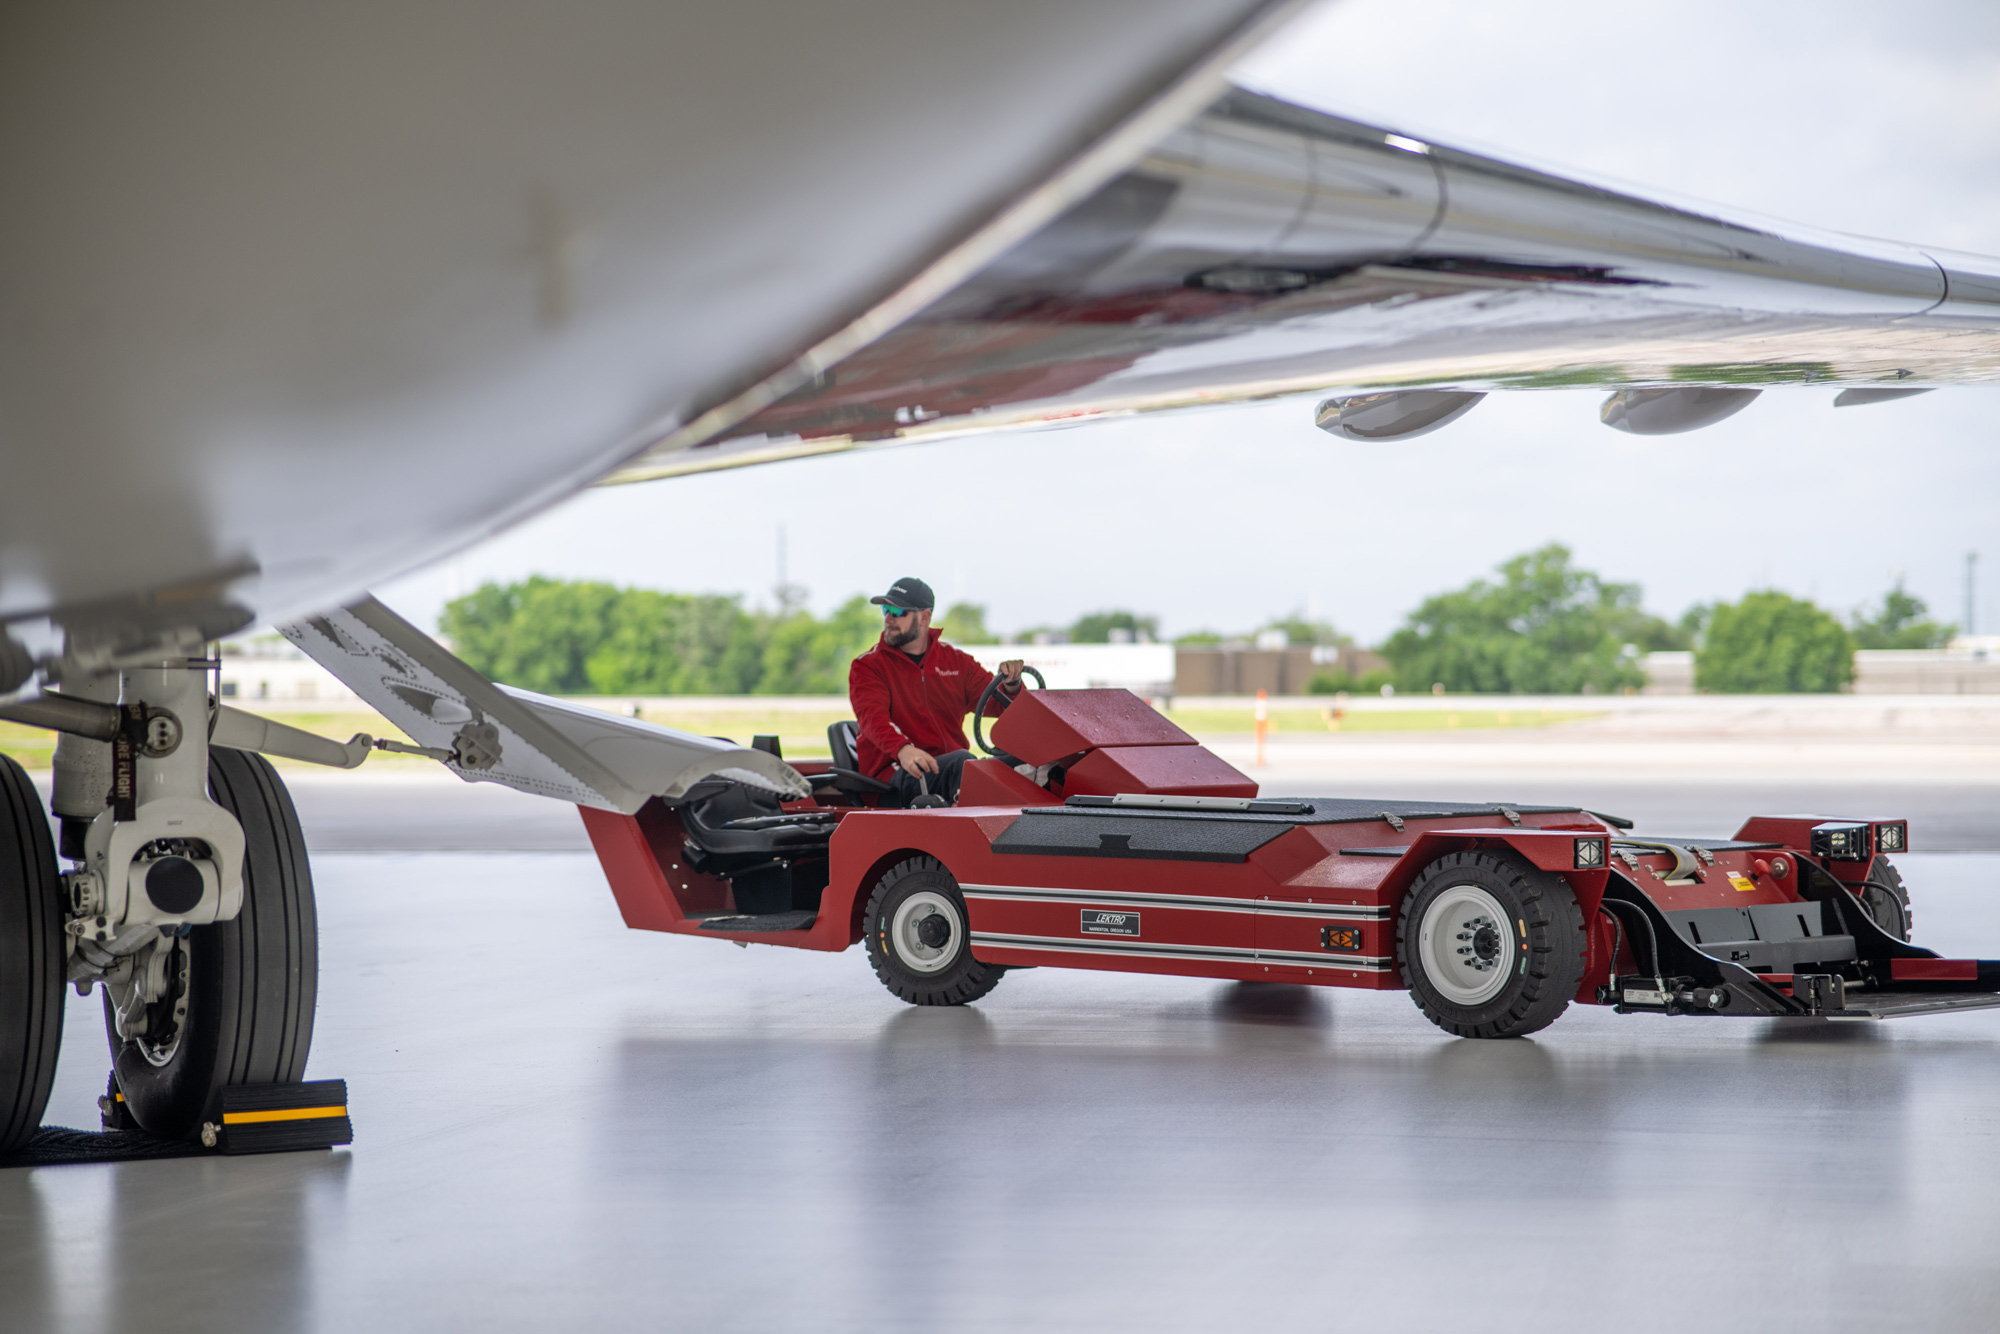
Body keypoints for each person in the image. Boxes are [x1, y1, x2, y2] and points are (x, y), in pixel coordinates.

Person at [848, 576, 1025, 806]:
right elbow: (873, 719)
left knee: (1024, 757)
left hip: (950, 769)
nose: (889, 618)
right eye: (885, 609)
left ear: (924, 617)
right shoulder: (868, 666)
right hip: (897, 775)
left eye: (898, 611)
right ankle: (982, 832)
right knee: (963, 762)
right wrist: (903, 749)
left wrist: (1012, 685)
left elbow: (998, 705)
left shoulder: (957, 662)